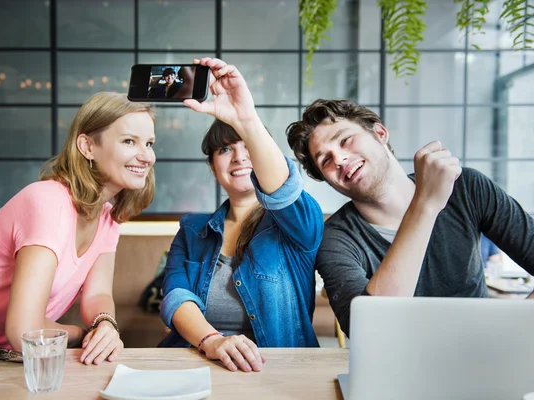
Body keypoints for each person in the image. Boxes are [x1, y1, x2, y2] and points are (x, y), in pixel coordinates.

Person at [0, 92, 156, 365]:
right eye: (129, 141)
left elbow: (98, 294)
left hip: (3, 358)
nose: (146, 156)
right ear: (87, 146)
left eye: (149, 143)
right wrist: (81, 333)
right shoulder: (47, 201)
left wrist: (105, 325)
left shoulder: (108, 216)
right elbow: (23, 331)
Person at [286, 99, 534, 336]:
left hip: (486, 360)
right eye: (326, 160)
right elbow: (370, 331)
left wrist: (511, 332)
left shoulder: (465, 187)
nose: (339, 159)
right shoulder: (335, 239)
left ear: (379, 134)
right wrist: (426, 204)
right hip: (396, 373)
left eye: (345, 140)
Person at [158, 58, 324, 373]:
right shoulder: (192, 229)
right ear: (211, 165)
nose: (239, 157)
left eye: (247, 145)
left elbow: (283, 192)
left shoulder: (298, 225)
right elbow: (176, 296)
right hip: (192, 364)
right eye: (225, 150)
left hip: (277, 374)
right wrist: (213, 341)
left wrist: (246, 119)